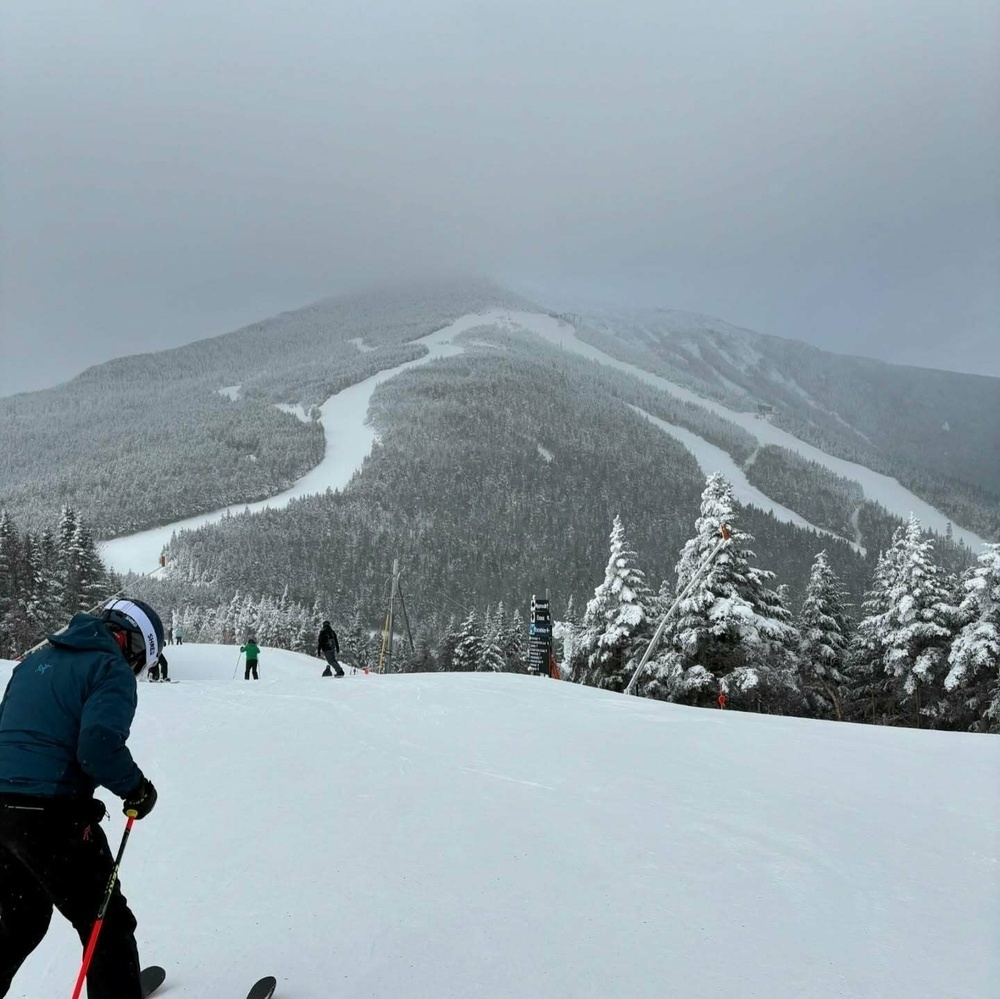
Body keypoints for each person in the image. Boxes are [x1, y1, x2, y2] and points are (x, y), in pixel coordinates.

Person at [0, 597, 163, 999]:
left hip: (3, 815)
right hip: (51, 816)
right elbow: (97, 745)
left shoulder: (34, 662)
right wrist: (136, 789)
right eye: (139, 663)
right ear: (130, 643)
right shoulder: (108, 666)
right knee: (106, 925)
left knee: (20, 921)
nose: (134, 672)